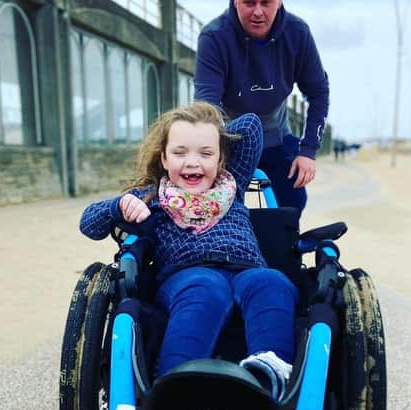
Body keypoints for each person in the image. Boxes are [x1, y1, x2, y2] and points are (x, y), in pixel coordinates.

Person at [79, 102, 298, 401]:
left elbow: (249, 126)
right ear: (164, 158)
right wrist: (118, 206)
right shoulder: (152, 197)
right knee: (207, 287)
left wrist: (205, 123)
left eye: (206, 153)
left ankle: (265, 377)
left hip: (248, 270)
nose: (193, 162)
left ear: (222, 160)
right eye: (180, 152)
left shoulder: (233, 184)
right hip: (187, 276)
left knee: (272, 282)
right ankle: (175, 385)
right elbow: (89, 223)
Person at [194, 0, 330, 213]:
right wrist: (209, 154)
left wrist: (308, 151)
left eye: (266, 3)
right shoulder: (213, 36)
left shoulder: (298, 33)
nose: (258, 12)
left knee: (293, 203)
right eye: (249, 3)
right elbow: (207, 105)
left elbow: (318, 92)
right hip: (228, 141)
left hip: (276, 137)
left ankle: (284, 244)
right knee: (216, 210)